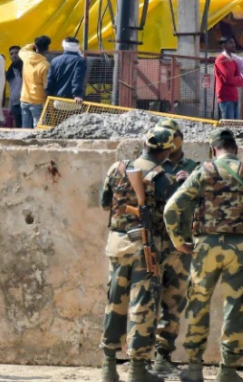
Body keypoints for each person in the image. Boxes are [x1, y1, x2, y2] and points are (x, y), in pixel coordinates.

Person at [165, 128, 243, 382]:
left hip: (205, 248)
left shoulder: (202, 172)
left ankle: (194, 368)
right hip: (241, 249)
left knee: (198, 305)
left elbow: (172, 208)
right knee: (235, 307)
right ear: (236, 149)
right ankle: (227, 370)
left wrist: (178, 242)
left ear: (213, 150)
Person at [98, 127, 177, 382]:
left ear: (144, 144)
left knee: (114, 302)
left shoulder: (117, 168)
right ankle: (137, 370)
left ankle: (108, 367)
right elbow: (172, 215)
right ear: (166, 151)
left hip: (117, 242)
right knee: (142, 305)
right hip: (144, 246)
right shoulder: (162, 178)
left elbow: (104, 203)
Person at [149, 119, 199, 377]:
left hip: (180, 245)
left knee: (174, 301)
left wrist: (191, 183)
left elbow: (209, 198)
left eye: (173, 135)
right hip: (154, 242)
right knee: (147, 300)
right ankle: (140, 358)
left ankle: (163, 356)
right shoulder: (151, 164)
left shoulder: (194, 168)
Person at [19, 36, 52, 128]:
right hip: (38, 100)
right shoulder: (45, 65)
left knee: (25, 128)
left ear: (36, 46)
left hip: (24, 98)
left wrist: (33, 45)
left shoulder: (26, 57)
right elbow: (46, 86)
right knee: (38, 128)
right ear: (47, 49)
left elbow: (22, 50)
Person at [46, 36, 87, 104]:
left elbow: (50, 80)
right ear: (77, 46)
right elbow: (77, 79)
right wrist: (77, 94)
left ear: (64, 46)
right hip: (72, 100)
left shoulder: (55, 61)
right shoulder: (80, 61)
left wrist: (49, 95)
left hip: (56, 99)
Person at [214, 37, 243, 120]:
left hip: (234, 96)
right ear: (224, 46)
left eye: (234, 43)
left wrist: (236, 78)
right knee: (229, 124)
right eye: (230, 43)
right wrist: (237, 78)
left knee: (236, 124)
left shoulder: (233, 61)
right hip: (225, 97)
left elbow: (241, 82)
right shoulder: (220, 60)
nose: (233, 45)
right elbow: (228, 79)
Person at [6, 45, 24, 127]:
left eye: (16, 53)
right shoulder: (10, 71)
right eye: (11, 54)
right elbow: (12, 89)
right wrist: (10, 107)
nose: (14, 55)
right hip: (15, 105)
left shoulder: (25, 68)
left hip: (25, 103)